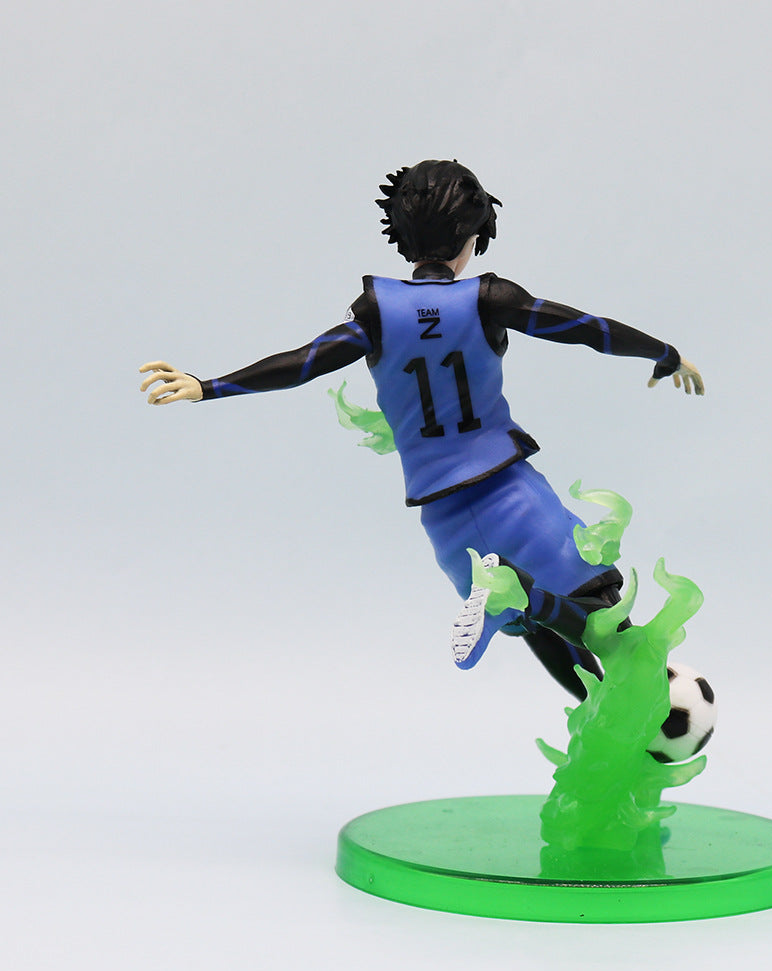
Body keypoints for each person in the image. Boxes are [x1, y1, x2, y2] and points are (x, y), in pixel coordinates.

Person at [139, 159, 704, 703]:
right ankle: (536, 609)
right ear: (473, 235)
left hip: (440, 510)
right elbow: (585, 328)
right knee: (600, 606)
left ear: (403, 237)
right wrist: (664, 353)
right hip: (506, 486)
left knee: (531, 626)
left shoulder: (377, 312)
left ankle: (533, 623)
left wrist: (208, 385)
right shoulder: (487, 300)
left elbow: (302, 362)